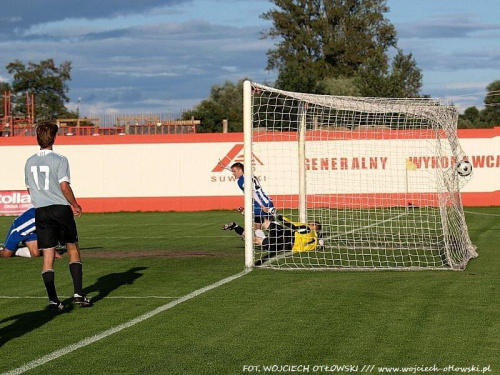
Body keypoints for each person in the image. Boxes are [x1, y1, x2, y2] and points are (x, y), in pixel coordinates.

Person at [24, 121, 91, 310]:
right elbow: (64, 186)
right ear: (54, 137)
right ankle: (78, 293)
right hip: (60, 209)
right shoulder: (60, 159)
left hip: (41, 211)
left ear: (37, 138)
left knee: (48, 254)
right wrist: (75, 205)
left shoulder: (29, 161)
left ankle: (53, 300)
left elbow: (29, 188)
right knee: (73, 248)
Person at [223, 214, 322, 266]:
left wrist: (279, 216)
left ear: (313, 225)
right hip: (285, 245)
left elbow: (291, 225)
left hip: (284, 235)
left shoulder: (308, 229)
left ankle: (244, 216)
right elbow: (318, 245)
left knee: (263, 222)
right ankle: (236, 226)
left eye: (311, 223)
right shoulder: (316, 241)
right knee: (256, 240)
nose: (309, 223)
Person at [230, 162, 274, 228]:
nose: (233, 173)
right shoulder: (249, 175)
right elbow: (239, 171)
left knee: (266, 228)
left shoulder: (241, 181)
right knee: (267, 227)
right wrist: (225, 167)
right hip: (266, 201)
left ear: (240, 170)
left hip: (260, 204)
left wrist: (261, 205)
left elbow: (252, 192)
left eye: (234, 171)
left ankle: (236, 227)